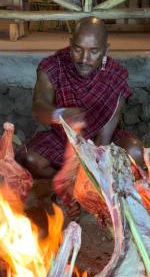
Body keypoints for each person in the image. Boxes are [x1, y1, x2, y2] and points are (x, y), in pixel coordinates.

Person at [18, 17, 143, 178]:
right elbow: (39, 106)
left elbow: (104, 137)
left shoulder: (115, 75)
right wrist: (60, 114)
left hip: (102, 144)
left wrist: (88, 170)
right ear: (70, 44)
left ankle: (81, 184)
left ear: (105, 50)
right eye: (78, 49)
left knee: (135, 152)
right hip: (63, 141)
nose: (84, 59)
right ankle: (64, 184)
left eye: (93, 51)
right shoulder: (52, 66)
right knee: (31, 159)